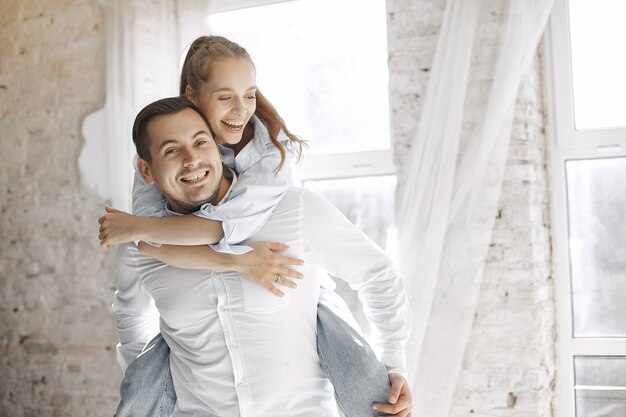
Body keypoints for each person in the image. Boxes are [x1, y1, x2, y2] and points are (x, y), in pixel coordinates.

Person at [101, 35, 412, 416]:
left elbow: (378, 275)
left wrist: (394, 362)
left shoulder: (290, 209)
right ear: (146, 170)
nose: (191, 160)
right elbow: (131, 314)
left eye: (201, 143)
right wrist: (144, 391)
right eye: (171, 151)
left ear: (219, 146)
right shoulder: (143, 234)